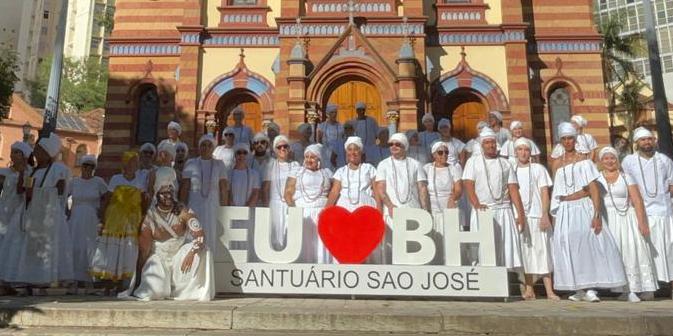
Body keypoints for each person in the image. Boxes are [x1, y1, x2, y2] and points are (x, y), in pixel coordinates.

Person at [550, 122, 626, 302]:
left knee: (588, 245)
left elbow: (593, 188)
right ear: (560, 141)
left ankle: (591, 287)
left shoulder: (585, 161)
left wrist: (597, 214)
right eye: (564, 139)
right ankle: (578, 288)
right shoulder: (556, 164)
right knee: (569, 245)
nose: (567, 142)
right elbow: (557, 190)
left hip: (583, 206)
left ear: (575, 140)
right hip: (565, 210)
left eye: (570, 138)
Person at [125, 177, 214, 301]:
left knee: (204, 250)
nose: (168, 196)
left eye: (170, 192)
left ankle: (190, 290)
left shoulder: (184, 212)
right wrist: (137, 281)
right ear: (156, 195)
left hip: (179, 257)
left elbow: (200, 235)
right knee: (155, 292)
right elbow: (143, 253)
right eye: (164, 193)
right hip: (159, 259)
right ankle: (160, 285)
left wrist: (192, 252)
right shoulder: (149, 218)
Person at [9, 133, 74, 293]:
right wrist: (23, 174)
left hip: (48, 215)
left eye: (39, 150)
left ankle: (43, 279)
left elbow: (59, 191)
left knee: (45, 247)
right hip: (30, 212)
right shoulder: (33, 171)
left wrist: (36, 192)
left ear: (48, 153)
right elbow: (21, 190)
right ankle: (28, 277)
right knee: (27, 247)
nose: (35, 153)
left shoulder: (59, 169)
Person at [598, 146, 657, 302]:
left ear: (617, 160)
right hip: (609, 221)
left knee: (631, 251)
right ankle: (623, 289)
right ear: (601, 161)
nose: (609, 161)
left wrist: (642, 223)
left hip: (627, 219)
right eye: (606, 158)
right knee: (617, 253)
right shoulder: (597, 178)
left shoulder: (626, 177)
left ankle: (635, 288)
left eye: (612, 158)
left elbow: (637, 201)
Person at [462, 127, 526, 271]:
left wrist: (520, 214)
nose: (490, 145)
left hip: (504, 210)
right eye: (487, 143)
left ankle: (504, 284)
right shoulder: (473, 162)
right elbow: (468, 185)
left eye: (493, 142)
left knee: (504, 249)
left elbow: (513, 190)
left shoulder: (505, 163)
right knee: (483, 250)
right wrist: (476, 204)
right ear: (482, 145)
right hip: (483, 211)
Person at [622, 127, 673, 297]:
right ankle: (649, 289)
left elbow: (671, 184)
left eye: (649, 139)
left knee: (668, 248)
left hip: (664, 212)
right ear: (636, 143)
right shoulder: (628, 161)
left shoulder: (664, 160)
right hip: (641, 213)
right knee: (646, 250)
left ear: (654, 141)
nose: (647, 142)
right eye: (643, 140)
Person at [91, 151, 146, 295]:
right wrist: (102, 219)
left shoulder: (139, 180)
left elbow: (143, 201)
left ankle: (123, 284)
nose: (133, 165)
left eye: (135, 162)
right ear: (125, 163)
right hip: (115, 219)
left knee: (127, 250)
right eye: (130, 162)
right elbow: (107, 199)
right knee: (112, 251)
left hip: (131, 221)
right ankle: (109, 283)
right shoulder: (116, 179)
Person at [512, 138, 558, 300]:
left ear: (530, 152)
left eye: (526, 149)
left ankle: (549, 291)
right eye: (520, 149)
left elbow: (545, 192)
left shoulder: (538, 169)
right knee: (526, 253)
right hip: (520, 217)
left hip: (537, 215)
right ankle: (529, 288)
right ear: (515, 152)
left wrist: (545, 214)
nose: (523, 153)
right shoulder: (512, 169)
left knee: (543, 251)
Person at [375, 133, 429, 263]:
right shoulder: (383, 164)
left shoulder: (416, 164)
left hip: (413, 211)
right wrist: (390, 206)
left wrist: (425, 211)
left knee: (413, 250)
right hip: (392, 213)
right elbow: (380, 189)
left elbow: (422, 188)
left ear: (405, 146)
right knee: (392, 250)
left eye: (397, 144)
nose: (393, 146)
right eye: (391, 144)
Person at [284, 144, 334, 264]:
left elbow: (333, 193)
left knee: (321, 245)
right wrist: (293, 211)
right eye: (306, 157)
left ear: (319, 159)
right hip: (302, 212)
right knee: (304, 244)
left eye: (312, 157)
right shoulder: (297, 171)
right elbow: (288, 192)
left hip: (322, 212)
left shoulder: (327, 172)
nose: (308, 160)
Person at [66, 155, 108, 294]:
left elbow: (107, 197)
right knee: (75, 247)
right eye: (85, 166)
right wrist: (66, 213)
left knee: (90, 248)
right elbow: (64, 197)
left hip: (91, 218)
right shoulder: (74, 182)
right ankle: (73, 282)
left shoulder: (98, 182)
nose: (87, 169)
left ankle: (90, 283)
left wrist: (102, 216)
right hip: (76, 218)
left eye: (91, 166)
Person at [180, 134, 229, 252]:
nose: (206, 148)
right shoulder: (191, 163)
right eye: (203, 145)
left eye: (209, 145)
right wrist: (182, 208)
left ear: (213, 148)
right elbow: (185, 188)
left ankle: (208, 265)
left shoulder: (219, 164)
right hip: (194, 205)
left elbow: (223, 188)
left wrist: (224, 208)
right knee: (193, 233)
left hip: (212, 205)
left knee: (210, 235)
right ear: (199, 147)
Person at [0, 142, 33, 294]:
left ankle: (11, 280)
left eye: (16, 152)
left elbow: (23, 191)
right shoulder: (5, 171)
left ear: (24, 156)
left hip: (18, 211)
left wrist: (21, 173)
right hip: (4, 209)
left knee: (12, 244)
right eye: (12, 152)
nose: (12, 155)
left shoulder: (30, 172)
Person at [423, 141, 462, 265]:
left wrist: (453, 198)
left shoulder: (453, 168)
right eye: (440, 152)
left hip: (449, 208)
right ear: (434, 155)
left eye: (446, 152)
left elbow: (459, 188)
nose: (444, 155)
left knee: (450, 242)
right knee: (433, 241)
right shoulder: (427, 168)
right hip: (432, 209)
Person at [262, 135, 300, 250]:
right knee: (274, 233)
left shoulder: (295, 165)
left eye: (285, 146)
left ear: (289, 149)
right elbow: (265, 188)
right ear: (275, 150)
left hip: (291, 204)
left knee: (290, 233)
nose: (282, 149)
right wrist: (265, 208)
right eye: (279, 147)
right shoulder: (270, 165)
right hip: (274, 203)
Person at [326, 136, 378, 212]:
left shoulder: (369, 168)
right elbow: (334, 192)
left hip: (365, 207)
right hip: (344, 208)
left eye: (356, 149)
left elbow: (376, 191)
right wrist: (326, 210)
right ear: (346, 152)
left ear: (361, 151)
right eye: (349, 150)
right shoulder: (341, 171)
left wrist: (380, 210)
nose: (352, 153)